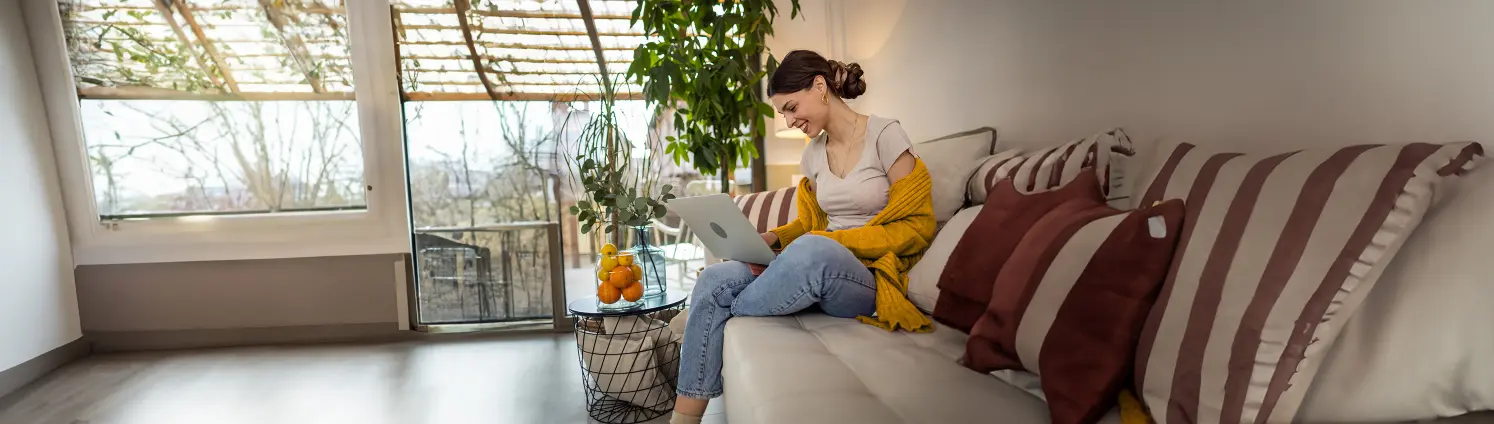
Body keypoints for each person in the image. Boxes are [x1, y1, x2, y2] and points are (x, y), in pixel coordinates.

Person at [669, 50, 938, 424]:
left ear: (819, 86)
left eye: (792, 107)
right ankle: (684, 419)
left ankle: (716, 309)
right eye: (783, 113)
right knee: (716, 278)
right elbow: (808, 224)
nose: (790, 120)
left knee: (810, 250)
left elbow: (916, 225)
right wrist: (771, 238)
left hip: (868, 276)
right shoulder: (813, 155)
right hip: (814, 262)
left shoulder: (886, 135)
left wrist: (833, 243)